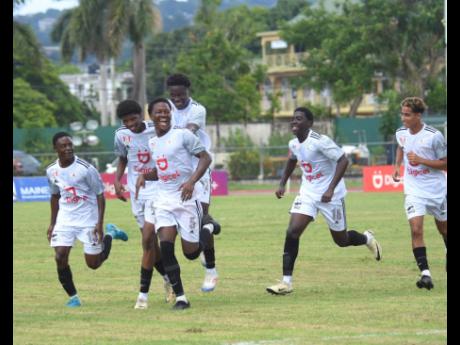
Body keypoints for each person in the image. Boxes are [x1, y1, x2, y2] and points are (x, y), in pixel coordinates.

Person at [266, 107, 382, 295]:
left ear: (309, 123)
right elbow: (291, 160)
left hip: (331, 196)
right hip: (308, 194)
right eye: (293, 119)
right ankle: (286, 283)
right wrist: (282, 183)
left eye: (299, 119)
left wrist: (330, 189)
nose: (294, 122)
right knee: (292, 231)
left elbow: (343, 161)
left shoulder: (321, 142)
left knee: (341, 240)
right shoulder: (294, 143)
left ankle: (367, 238)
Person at [136, 98, 214, 310]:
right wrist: (145, 175)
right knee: (166, 247)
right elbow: (161, 171)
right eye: (158, 112)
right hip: (164, 202)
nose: (163, 115)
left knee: (191, 253)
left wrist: (191, 182)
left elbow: (205, 158)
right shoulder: (152, 143)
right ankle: (181, 297)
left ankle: (207, 228)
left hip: (187, 200)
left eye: (166, 111)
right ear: (150, 116)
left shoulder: (183, 135)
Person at [46, 132, 128, 307]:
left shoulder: (86, 168)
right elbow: (54, 196)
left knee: (93, 264)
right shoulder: (51, 170)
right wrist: (52, 223)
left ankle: (111, 234)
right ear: (56, 149)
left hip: (88, 220)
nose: (68, 148)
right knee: (60, 256)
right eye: (63, 146)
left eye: (70, 145)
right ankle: (73, 297)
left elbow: (100, 195)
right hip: (65, 220)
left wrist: (99, 224)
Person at [113, 99, 174, 309]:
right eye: (126, 120)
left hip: (157, 189)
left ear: (141, 115)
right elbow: (122, 158)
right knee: (150, 246)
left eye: (134, 118)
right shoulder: (121, 134)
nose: (131, 123)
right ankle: (169, 279)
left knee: (148, 239)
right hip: (136, 193)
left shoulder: (154, 129)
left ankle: (142, 296)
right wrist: (117, 179)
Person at [166, 73, 221, 292]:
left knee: (202, 218)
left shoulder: (198, 110)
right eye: (173, 95)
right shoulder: (165, 108)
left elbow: (188, 133)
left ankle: (211, 271)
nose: (177, 99)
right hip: (175, 173)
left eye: (180, 95)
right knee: (184, 222)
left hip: (199, 168)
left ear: (188, 91)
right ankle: (207, 231)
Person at [392, 97, 447, 290]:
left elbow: (445, 163)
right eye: (402, 114)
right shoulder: (401, 133)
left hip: (437, 190)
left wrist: (421, 160)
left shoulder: (434, 136)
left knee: (444, 230)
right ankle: (425, 274)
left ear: (418, 115)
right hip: (414, 190)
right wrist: (397, 166)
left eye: (407, 115)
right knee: (416, 229)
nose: (403, 118)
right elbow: (401, 146)